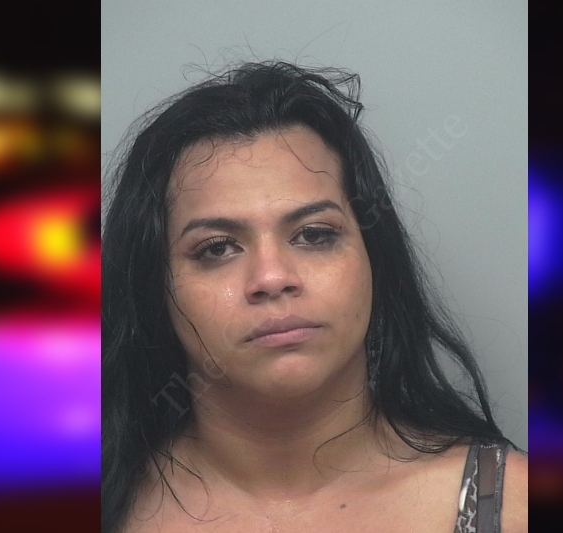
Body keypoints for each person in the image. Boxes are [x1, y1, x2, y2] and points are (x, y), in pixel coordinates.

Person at [102, 61, 527, 533]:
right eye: (217, 248)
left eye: (314, 234)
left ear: (374, 260)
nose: (272, 277)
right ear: (154, 286)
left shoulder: (513, 508)